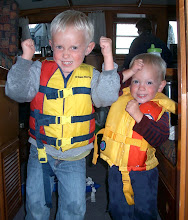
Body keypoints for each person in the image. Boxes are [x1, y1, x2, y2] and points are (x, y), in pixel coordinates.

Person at [5, 10, 120, 220]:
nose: (66, 54)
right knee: (35, 203)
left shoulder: (92, 75)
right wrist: (25, 60)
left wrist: (108, 59)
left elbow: (106, 98)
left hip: (74, 157)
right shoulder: (39, 69)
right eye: (60, 47)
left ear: (88, 48)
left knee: (74, 207)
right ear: (51, 44)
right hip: (40, 151)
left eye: (74, 48)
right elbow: (16, 92)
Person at [93, 53, 177, 220]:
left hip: (143, 173)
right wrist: (130, 71)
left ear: (160, 86)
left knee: (145, 212)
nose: (141, 87)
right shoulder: (121, 96)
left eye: (149, 82)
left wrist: (139, 117)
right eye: (136, 81)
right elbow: (109, 86)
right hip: (116, 169)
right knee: (118, 209)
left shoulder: (161, 110)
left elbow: (159, 138)